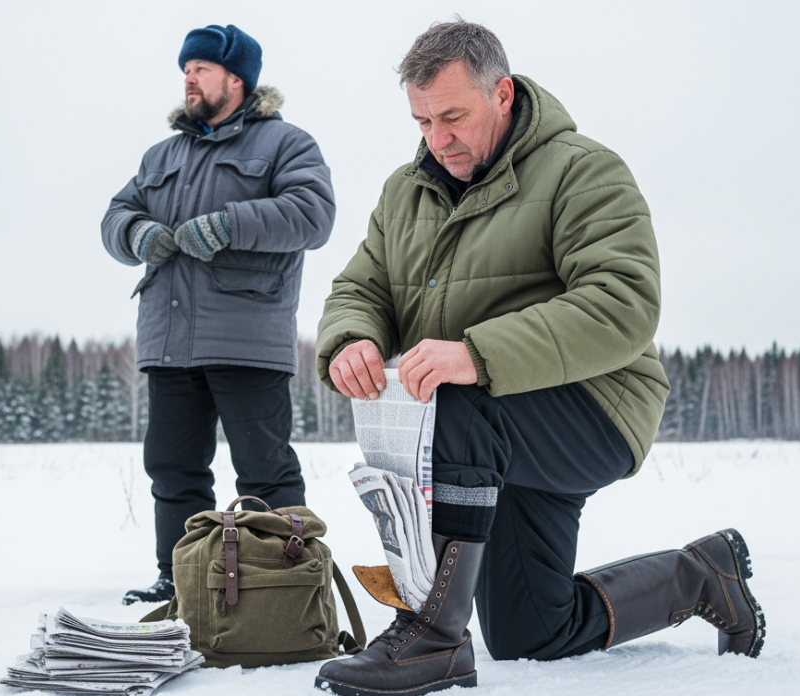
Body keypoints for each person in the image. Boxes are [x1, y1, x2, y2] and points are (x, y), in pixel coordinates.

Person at [313, 19, 764, 696]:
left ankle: (433, 635)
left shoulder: (582, 170)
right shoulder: (404, 194)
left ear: (503, 93)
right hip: (491, 441)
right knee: (530, 634)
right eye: (422, 120)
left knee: (458, 400)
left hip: (595, 407)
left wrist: (476, 354)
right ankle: (700, 575)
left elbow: (624, 303)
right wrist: (353, 337)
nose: (437, 138)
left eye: (453, 116)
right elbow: (361, 286)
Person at [100, 24, 335, 605]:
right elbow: (114, 217)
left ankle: (284, 580)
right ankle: (178, 580)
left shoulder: (286, 144)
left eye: (201, 68)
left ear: (237, 79)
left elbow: (313, 215)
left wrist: (230, 224)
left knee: (265, 469)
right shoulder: (162, 155)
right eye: (186, 69)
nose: (189, 77)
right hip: (170, 340)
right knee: (173, 468)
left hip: (247, 338)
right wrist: (138, 233)